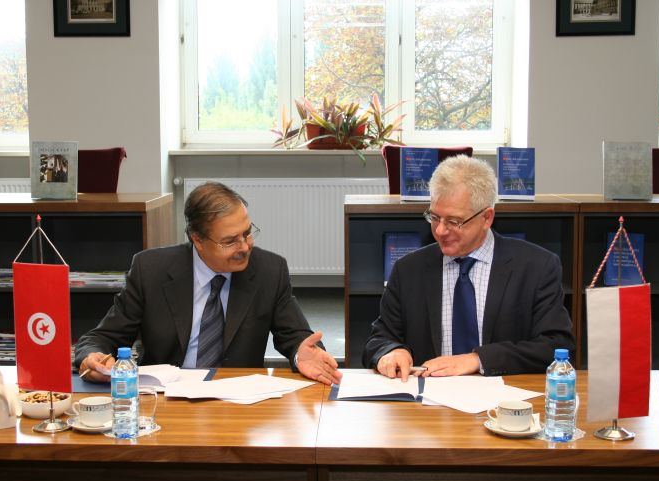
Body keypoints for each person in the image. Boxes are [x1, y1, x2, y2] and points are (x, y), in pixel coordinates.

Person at [75, 181, 342, 386]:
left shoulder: (269, 270)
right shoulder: (151, 270)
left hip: (237, 397)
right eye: (230, 241)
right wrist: (91, 356)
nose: (245, 246)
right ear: (198, 240)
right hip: (166, 398)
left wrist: (301, 353)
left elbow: (295, 335)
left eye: (247, 233)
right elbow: (101, 337)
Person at [363, 155, 575, 380]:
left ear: (486, 218)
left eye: (454, 221)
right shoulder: (408, 270)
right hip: (428, 395)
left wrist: (478, 359)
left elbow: (556, 345)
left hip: (502, 394)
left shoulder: (537, 267)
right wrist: (391, 351)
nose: (440, 231)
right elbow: (379, 339)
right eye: (434, 217)